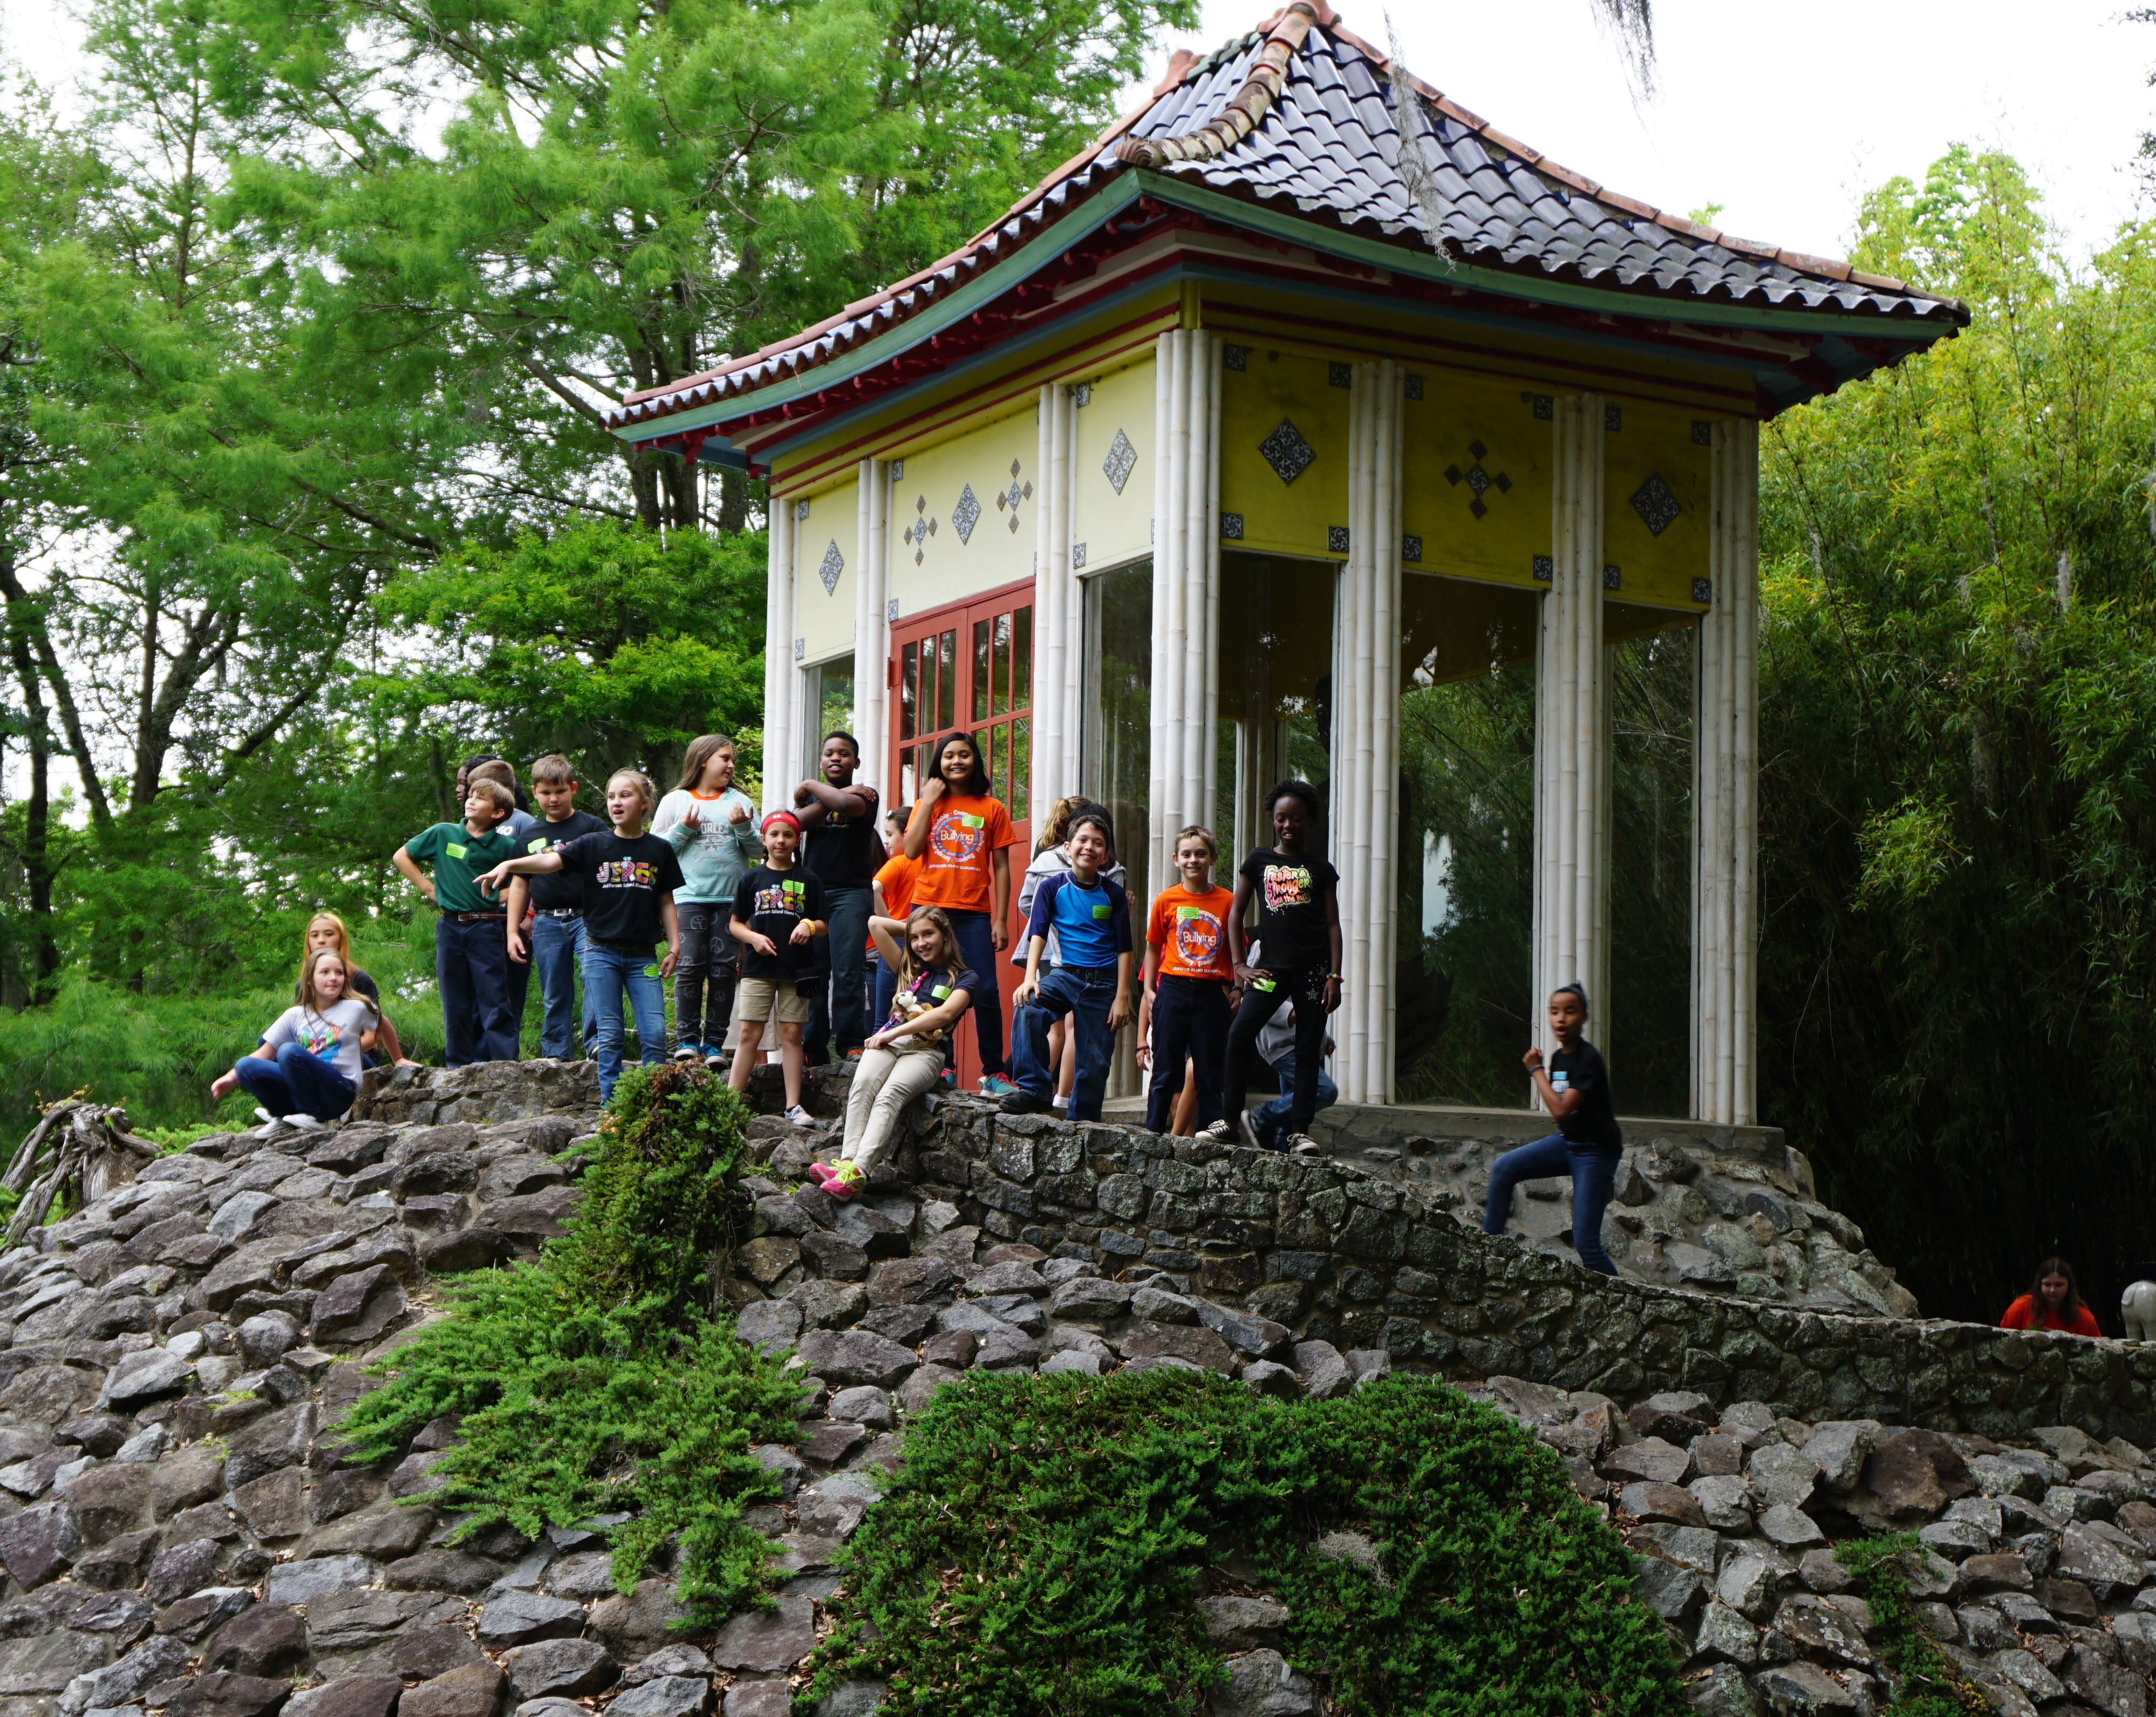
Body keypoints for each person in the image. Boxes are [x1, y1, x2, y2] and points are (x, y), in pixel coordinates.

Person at [478, 768, 683, 1103]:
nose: (617, 802)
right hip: (601, 952)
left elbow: (666, 900)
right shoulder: (592, 844)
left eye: (625, 795)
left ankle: (654, 1107)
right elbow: (549, 862)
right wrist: (509, 865)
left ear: (645, 803)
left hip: (643, 956)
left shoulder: (659, 849)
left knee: (655, 1034)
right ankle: (611, 1108)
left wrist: (675, 945)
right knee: (611, 1034)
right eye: (611, 796)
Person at [1204, 780, 1341, 1156]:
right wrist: (1239, 968)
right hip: (1269, 973)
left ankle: (1299, 1133)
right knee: (1239, 1034)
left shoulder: (1320, 868)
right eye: (1281, 818)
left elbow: (1333, 925)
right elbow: (1235, 915)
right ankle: (1231, 1122)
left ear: (1309, 820)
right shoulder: (1259, 860)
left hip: (1313, 974)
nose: (1288, 826)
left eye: (1296, 819)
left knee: (1308, 1047)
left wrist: (1333, 977)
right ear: (1273, 820)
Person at [811, 907, 976, 1200]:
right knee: (862, 1086)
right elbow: (875, 923)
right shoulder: (909, 969)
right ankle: (846, 1166)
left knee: (889, 1095)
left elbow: (944, 1014)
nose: (921, 943)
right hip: (890, 1043)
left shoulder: (965, 977)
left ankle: (859, 1174)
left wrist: (890, 1034)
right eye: (914, 938)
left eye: (929, 935)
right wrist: (916, 927)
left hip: (927, 1052)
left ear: (945, 935)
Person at [902, 731, 1023, 1095]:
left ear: (976, 761)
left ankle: (993, 1073)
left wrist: (1000, 919)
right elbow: (909, 851)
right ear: (938, 762)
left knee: (985, 989)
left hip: (973, 913)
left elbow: (1001, 868)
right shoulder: (929, 802)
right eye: (949, 755)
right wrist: (928, 801)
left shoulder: (992, 808)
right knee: (935, 990)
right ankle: (943, 1065)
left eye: (964, 755)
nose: (956, 761)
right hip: (929, 908)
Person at [1479, 984, 1625, 1276]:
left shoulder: (1589, 1060)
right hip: (1568, 1141)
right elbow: (1561, 1114)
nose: (1561, 1019)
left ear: (1584, 1017)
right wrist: (1543, 1071)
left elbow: (1560, 1109)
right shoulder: (1559, 1059)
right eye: (1555, 1011)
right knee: (1503, 1168)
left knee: (1586, 1244)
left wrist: (1536, 1071)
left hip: (1596, 1151)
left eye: (1570, 1012)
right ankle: (1486, 1250)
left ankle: (1626, 1305)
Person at [1001, 812, 1132, 1122]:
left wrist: (1122, 996)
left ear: (1106, 855)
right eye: (1083, 840)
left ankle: (1083, 1122)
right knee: (1028, 1006)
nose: (1090, 847)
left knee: (1095, 1061)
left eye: (1098, 844)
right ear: (1067, 847)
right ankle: (1034, 1090)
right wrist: (1030, 977)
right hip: (1064, 975)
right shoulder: (1052, 887)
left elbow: (1125, 948)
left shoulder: (1113, 893)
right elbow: (1038, 932)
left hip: (1103, 984)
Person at [394, 776, 521, 1065]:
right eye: (470, 795)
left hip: (487, 927)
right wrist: (429, 889)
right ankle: (458, 1067)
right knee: (455, 1001)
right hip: (450, 926)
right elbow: (402, 856)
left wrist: (501, 896)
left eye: (479, 798)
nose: (470, 800)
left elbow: (526, 880)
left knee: (494, 998)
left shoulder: (506, 846)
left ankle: (506, 1064)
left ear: (497, 813)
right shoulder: (443, 833)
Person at [652, 734, 763, 1065]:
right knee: (689, 967)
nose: (731, 765)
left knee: (724, 970)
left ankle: (714, 1043)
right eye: (724, 758)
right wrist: (683, 830)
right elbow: (656, 851)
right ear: (703, 761)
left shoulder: (740, 802)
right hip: (688, 898)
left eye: (732, 760)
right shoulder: (675, 801)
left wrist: (743, 827)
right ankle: (687, 1039)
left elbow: (761, 851)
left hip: (731, 900)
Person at [502, 755, 608, 1060]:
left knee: (595, 977)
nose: (554, 798)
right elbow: (520, 884)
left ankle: (597, 1043)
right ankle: (556, 1053)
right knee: (554, 990)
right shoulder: (529, 835)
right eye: (546, 792)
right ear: (534, 792)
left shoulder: (592, 826)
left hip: (588, 917)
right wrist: (513, 931)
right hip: (547, 921)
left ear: (573, 789)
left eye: (560, 791)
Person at [728, 810, 828, 1127]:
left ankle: (793, 1106)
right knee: (748, 1033)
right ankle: (729, 1104)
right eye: (774, 834)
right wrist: (754, 938)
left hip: (796, 969)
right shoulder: (752, 878)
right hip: (758, 967)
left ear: (797, 840)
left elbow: (824, 923)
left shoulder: (808, 879)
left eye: (788, 835)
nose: (781, 840)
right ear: (764, 839)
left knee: (792, 1034)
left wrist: (809, 926)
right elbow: (735, 924)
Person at [213, 948, 379, 1136]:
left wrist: (398, 1059)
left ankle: (314, 1116)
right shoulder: (295, 1015)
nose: (333, 977)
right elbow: (265, 1053)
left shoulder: (356, 1007)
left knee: (289, 1051)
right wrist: (230, 1078)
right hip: (309, 1089)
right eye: (325, 972)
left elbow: (383, 1024)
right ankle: (283, 1116)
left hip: (340, 1091)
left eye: (339, 973)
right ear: (309, 979)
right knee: (245, 1066)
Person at [1138, 825, 1236, 1135]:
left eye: (1201, 854)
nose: (1193, 860)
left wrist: (1238, 987)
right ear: (1176, 860)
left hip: (1211, 994)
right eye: (1187, 854)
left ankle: (1212, 1131)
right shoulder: (1166, 900)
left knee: (1208, 1068)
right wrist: (1149, 990)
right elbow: (1153, 947)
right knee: (1166, 1066)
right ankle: (1153, 1131)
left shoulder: (1228, 901)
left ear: (1213, 859)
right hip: (1173, 989)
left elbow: (1239, 948)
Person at [795, 731, 883, 1065]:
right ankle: (813, 1049)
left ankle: (849, 1043)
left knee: (848, 971)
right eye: (829, 753)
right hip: (813, 895)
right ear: (821, 760)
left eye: (844, 754)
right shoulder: (811, 802)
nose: (836, 758)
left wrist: (810, 785)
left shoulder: (867, 795)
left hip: (851, 893)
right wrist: (818, 790)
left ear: (856, 763)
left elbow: (846, 805)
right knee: (814, 974)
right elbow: (797, 823)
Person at [1242, 943, 1340, 1149]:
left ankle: (1282, 1155)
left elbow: (1309, 997)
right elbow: (1253, 991)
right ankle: (1262, 1116)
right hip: (1280, 1042)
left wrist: (1324, 1039)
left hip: (1306, 1042)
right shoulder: (1264, 945)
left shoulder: (1310, 944)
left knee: (1290, 1111)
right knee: (1324, 1091)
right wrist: (1289, 1013)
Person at [296, 912, 411, 1066]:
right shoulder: (303, 985)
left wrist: (336, 1052)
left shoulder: (360, 980)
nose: (321, 941)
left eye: (328, 934)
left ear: (340, 940)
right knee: (272, 1046)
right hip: (318, 1056)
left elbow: (373, 1035)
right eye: (314, 936)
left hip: (360, 1058)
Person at [869, 807, 917, 1027]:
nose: (886, 841)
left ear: (907, 833)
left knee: (885, 1012)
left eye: (890, 835)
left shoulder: (898, 862)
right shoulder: (932, 863)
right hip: (924, 938)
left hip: (896, 939)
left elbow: (873, 889)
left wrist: (890, 924)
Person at [2002, 1259, 2102, 1337]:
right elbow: (2003, 1339)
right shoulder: (2020, 1307)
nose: (2052, 1290)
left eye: (2059, 1285)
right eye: (2047, 1284)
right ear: (2039, 1285)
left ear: (2069, 1286)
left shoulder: (2083, 1317)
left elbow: (2097, 1350)